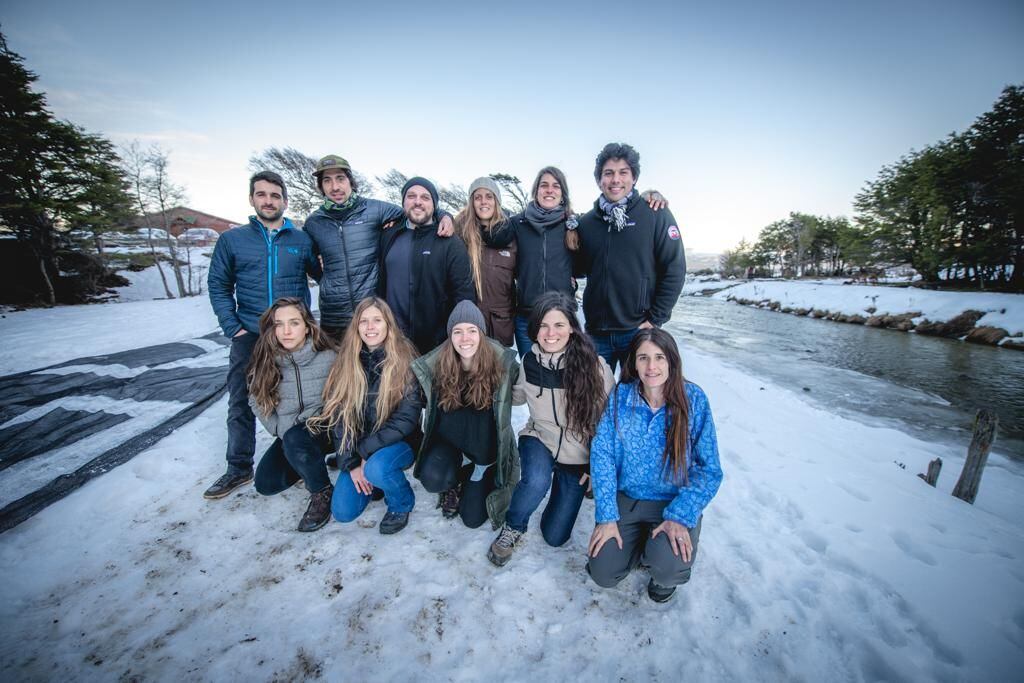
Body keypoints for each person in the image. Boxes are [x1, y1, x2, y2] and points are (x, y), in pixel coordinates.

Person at [205, 171, 322, 499]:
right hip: (252, 333)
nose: (268, 200)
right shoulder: (233, 240)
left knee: (298, 396)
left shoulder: (301, 240)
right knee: (242, 399)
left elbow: (322, 272)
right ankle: (239, 466)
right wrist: (233, 327)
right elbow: (219, 284)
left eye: (275, 195)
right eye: (262, 194)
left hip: (295, 334)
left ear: (285, 200)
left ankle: (295, 456)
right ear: (252, 199)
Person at [587, 329, 723, 603]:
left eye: (660, 357)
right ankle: (639, 549)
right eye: (643, 358)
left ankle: (661, 568)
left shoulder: (693, 399)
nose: (652, 366)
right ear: (633, 363)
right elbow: (602, 456)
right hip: (629, 500)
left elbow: (709, 469)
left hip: (672, 503)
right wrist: (607, 516)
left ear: (672, 361)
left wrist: (680, 516)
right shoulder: (620, 399)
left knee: (668, 565)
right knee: (602, 572)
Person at [487, 292, 614, 567]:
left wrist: (596, 466)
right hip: (540, 438)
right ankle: (514, 526)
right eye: (544, 325)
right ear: (535, 329)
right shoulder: (530, 362)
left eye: (558, 325)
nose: (550, 333)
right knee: (534, 481)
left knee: (555, 536)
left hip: (579, 454)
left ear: (572, 327)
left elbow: (609, 424)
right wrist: (495, 374)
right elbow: (517, 396)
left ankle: (566, 492)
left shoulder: (594, 367)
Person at [487, 167, 670, 358]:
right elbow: (492, 235)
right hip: (527, 317)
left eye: (556, 186)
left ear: (563, 193)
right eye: (544, 185)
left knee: (564, 379)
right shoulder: (518, 224)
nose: (550, 190)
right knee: (529, 373)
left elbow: (590, 263)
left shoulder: (575, 225)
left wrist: (648, 196)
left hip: (563, 317)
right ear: (536, 191)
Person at [303, 155, 454, 339]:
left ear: (350, 181)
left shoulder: (375, 210)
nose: (335, 187)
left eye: (340, 179)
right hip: (333, 317)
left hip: (371, 314)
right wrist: (327, 283)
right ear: (321, 186)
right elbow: (311, 263)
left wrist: (445, 215)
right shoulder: (313, 222)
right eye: (327, 180)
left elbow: (415, 209)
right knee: (337, 367)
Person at [311, 297, 423, 535]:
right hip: (360, 447)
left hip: (399, 443)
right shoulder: (347, 361)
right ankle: (375, 481)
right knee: (343, 512)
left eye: (377, 320)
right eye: (364, 321)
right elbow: (340, 419)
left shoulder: (405, 359)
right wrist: (351, 462)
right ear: (356, 326)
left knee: (377, 468)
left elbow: (405, 421)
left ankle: (401, 503)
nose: (370, 327)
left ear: (388, 325)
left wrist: (364, 452)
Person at [576, 143, 687, 372]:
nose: (616, 179)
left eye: (623, 172)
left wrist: (655, 319)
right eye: (608, 173)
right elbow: (579, 269)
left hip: (637, 330)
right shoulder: (587, 223)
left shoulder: (654, 213)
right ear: (599, 180)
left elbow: (674, 269)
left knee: (636, 399)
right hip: (597, 333)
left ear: (634, 178)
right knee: (595, 400)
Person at [411, 301, 520, 530]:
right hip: (451, 446)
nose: (465, 338)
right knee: (432, 478)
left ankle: (474, 475)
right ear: (450, 336)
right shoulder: (439, 366)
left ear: (481, 333)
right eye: (458, 332)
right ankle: (454, 478)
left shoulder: (501, 367)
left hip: (484, 454)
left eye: (472, 330)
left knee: (472, 518)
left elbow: (527, 393)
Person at [246, 298, 336, 530]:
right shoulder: (266, 360)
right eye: (279, 324)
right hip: (290, 434)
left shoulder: (329, 356)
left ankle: (322, 492)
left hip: (326, 430)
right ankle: (307, 461)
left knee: (298, 438)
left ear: (307, 326)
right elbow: (255, 398)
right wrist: (277, 428)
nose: (286, 331)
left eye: (294, 323)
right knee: (267, 483)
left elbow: (346, 395)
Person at [379, 176, 476, 354]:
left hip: (436, 344)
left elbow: (464, 294)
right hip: (392, 340)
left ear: (434, 204)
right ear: (403, 202)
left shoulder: (449, 241)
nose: (418, 202)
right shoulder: (388, 235)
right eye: (411, 196)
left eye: (425, 197)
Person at [453, 177, 516, 346]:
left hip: (500, 325)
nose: (483, 202)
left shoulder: (512, 235)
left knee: (500, 372)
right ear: (471, 202)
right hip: (468, 325)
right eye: (477, 197)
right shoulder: (458, 233)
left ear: (496, 201)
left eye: (489, 196)